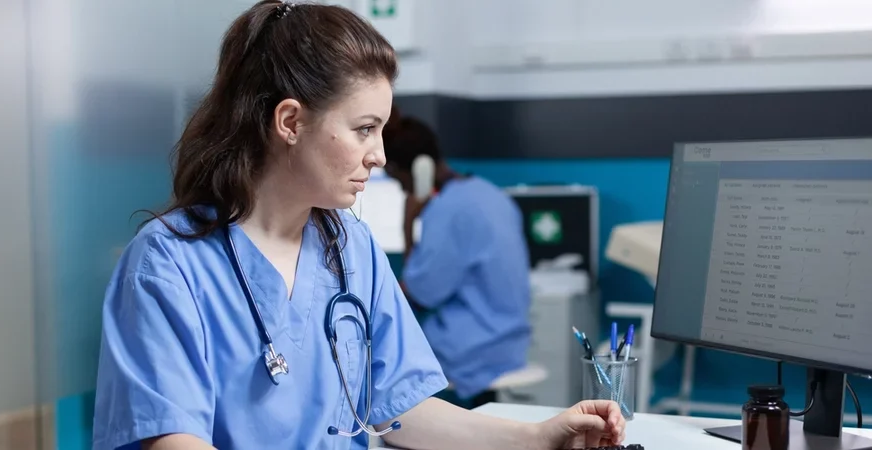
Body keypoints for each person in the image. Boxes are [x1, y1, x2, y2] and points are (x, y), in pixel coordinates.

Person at [91, 2, 626, 449]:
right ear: (291, 122)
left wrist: (537, 437)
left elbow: (396, 408)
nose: (380, 155)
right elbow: (173, 439)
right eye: (365, 129)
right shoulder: (168, 263)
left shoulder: (349, 246)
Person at [381, 109, 534, 409]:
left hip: (473, 351)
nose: (403, 190)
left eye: (400, 181)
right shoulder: (489, 194)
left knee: (377, 354)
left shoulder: (448, 210)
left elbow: (422, 294)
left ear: (418, 170)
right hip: (510, 343)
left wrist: (408, 225)